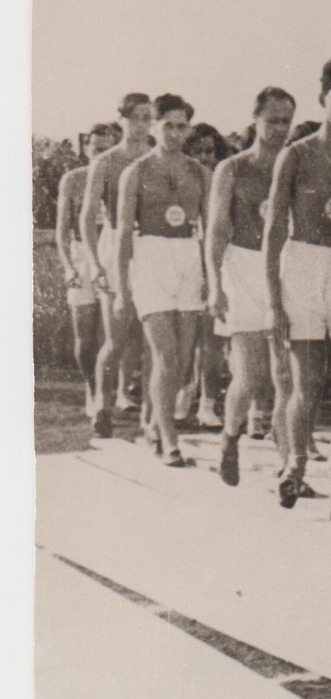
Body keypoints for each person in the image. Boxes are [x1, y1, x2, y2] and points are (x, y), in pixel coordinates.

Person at [264, 54, 331, 520]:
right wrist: (273, 300)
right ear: (323, 98)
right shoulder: (297, 153)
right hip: (304, 267)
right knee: (306, 383)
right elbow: (273, 233)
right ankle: (296, 465)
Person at [205, 87, 297, 486]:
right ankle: (230, 438)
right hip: (241, 267)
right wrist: (214, 285)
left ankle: (287, 463)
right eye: (272, 120)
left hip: (285, 267)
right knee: (252, 374)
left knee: (286, 374)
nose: (279, 128)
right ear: (255, 119)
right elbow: (217, 231)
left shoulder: (296, 163)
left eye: (285, 121)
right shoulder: (233, 169)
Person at [113, 94, 209, 467]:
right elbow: (122, 235)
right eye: (167, 124)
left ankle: (154, 422)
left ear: (189, 130)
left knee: (183, 363)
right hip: (151, 258)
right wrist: (122, 289)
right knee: (166, 356)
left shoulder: (200, 172)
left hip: (188, 256)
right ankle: (170, 439)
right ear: (154, 126)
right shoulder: (135, 172)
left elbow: (213, 227)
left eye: (181, 125)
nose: (174, 132)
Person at [81, 93, 153, 439]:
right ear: (122, 120)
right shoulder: (106, 162)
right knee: (116, 337)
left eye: (148, 117)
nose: (143, 125)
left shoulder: (157, 158)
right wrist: (95, 263)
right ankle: (102, 406)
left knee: (153, 338)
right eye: (137, 117)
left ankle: (152, 417)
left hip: (152, 248)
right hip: (115, 247)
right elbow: (86, 218)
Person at [56, 122, 119, 417]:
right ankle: (91, 388)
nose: (101, 155)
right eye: (96, 149)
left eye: (107, 149)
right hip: (81, 256)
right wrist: (68, 267)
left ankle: (107, 394)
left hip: (109, 253)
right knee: (84, 334)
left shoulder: (119, 176)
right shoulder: (73, 179)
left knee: (111, 333)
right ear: (86, 149)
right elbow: (62, 232)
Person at [183, 123, 230, 430]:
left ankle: (208, 404)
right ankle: (184, 396)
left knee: (213, 341)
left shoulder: (223, 181)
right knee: (187, 341)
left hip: (219, 265)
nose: (204, 157)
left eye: (209, 151)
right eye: (197, 151)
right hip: (186, 265)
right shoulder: (182, 183)